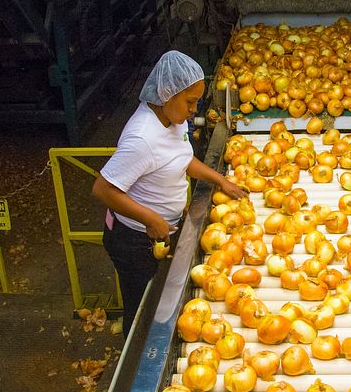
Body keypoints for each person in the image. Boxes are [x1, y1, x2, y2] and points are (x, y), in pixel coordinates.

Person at [92, 50, 246, 330]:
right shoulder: (143, 138)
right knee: (141, 311)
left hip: (158, 232)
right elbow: (103, 189)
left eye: (197, 102)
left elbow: (181, 158)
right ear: (166, 94)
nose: (193, 109)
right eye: (190, 101)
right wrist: (151, 219)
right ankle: (135, 352)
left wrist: (220, 180)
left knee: (156, 300)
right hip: (134, 239)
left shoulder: (171, 120)